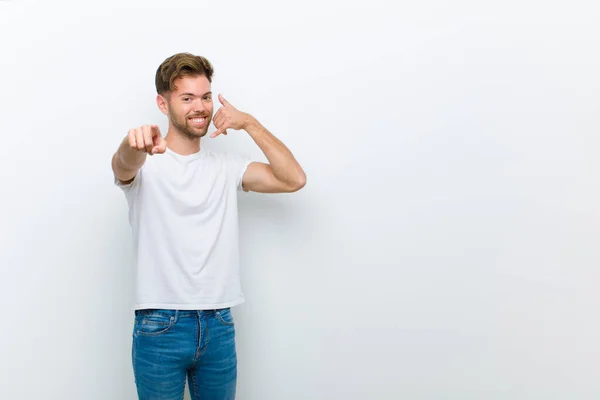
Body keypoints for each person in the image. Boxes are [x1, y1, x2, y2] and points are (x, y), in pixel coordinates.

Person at [111, 52, 306, 400]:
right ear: (163, 103)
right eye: (186, 98)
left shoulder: (227, 167)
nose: (199, 107)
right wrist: (131, 144)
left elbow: (293, 179)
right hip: (160, 325)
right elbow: (122, 166)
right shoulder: (146, 164)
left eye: (204, 96)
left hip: (219, 324)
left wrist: (250, 123)